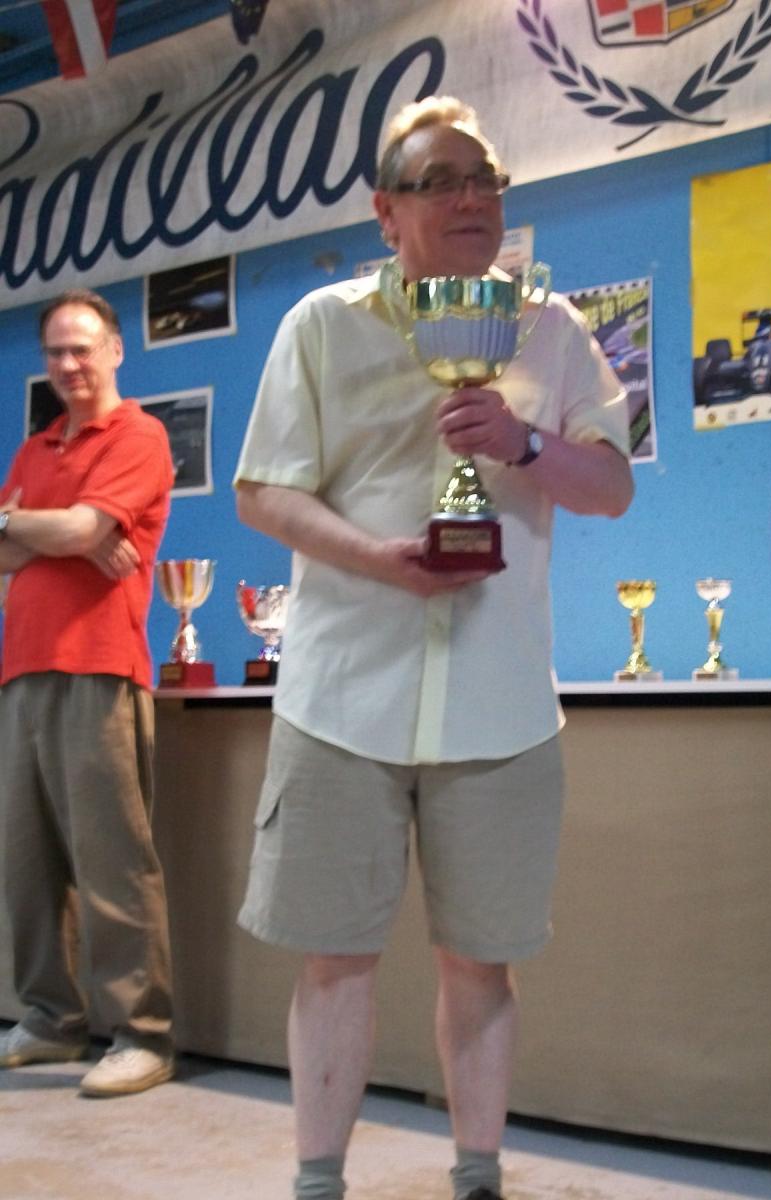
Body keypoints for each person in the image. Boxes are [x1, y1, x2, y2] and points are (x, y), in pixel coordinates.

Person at [234, 96, 633, 1200]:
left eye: (484, 179)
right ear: (385, 212)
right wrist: (379, 559)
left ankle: (477, 1177)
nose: (470, 198)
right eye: (441, 181)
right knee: (334, 958)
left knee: (481, 963)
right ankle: (319, 1182)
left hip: (500, 708)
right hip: (339, 702)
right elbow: (263, 491)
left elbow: (610, 487)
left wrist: (523, 442)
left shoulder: (551, 329)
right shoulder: (321, 324)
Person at [0, 289, 176, 1097]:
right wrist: (58, 531)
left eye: (83, 347)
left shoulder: (139, 435)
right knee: (26, 863)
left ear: (115, 350)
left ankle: (142, 1034)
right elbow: (15, 553)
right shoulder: (35, 449)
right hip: (21, 669)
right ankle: (50, 1020)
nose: (69, 364)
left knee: (113, 860)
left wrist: (54, 528)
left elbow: (76, 532)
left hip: (101, 666)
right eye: (56, 352)